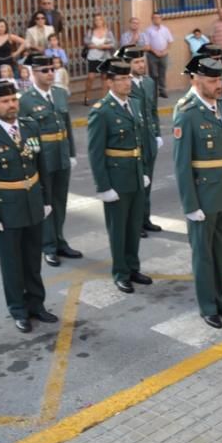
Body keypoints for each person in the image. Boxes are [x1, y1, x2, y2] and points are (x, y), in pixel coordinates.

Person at [0, 79, 56, 334]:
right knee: (11, 263)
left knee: (32, 258)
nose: (12, 105)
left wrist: (47, 200)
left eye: (14, 100)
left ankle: (37, 305)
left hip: (32, 204)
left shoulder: (30, 128)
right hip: (6, 210)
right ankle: (18, 310)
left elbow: (42, 167)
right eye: (5, 101)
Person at [172, 57, 222, 329]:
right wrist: (190, 204)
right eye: (212, 81)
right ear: (196, 81)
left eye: (220, 79)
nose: (219, 85)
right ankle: (208, 306)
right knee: (203, 254)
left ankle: (220, 299)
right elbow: (181, 164)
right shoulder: (186, 112)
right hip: (203, 197)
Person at [87, 57, 152, 294]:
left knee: (134, 226)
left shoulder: (133, 104)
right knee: (118, 229)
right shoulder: (102, 112)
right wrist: (104, 186)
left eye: (129, 78)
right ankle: (121, 272)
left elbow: (140, 142)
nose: (128, 83)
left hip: (134, 175)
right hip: (116, 179)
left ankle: (133, 267)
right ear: (109, 83)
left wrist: (144, 171)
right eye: (122, 79)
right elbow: (96, 153)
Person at [19, 54, 82, 268]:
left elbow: (67, 125)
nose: (50, 74)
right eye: (44, 70)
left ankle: (60, 240)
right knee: (45, 203)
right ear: (33, 73)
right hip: (42, 158)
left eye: (52, 69)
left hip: (61, 154)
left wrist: (71, 153)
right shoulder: (25, 100)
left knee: (60, 201)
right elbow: (23, 136)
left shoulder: (60, 93)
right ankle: (48, 246)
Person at [119, 46, 163, 236]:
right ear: (128, 64)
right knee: (136, 184)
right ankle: (134, 224)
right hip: (134, 140)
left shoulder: (149, 82)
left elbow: (153, 110)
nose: (141, 64)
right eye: (136, 62)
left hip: (149, 139)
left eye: (142, 61)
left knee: (148, 182)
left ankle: (145, 218)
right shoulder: (125, 84)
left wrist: (157, 133)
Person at [82, 14, 116, 106]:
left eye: (99, 20)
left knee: (104, 77)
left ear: (103, 21)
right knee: (91, 77)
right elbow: (86, 43)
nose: (98, 22)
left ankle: (103, 98)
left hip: (105, 57)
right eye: (96, 20)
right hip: (93, 57)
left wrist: (104, 46)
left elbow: (113, 44)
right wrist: (96, 46)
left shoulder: (108, 31)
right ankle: (87, 97)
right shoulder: (90, 31)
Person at [143, 14, 174, 99]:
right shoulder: (148, 30)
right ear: (152, 19)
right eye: (155, 18)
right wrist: (155, 52)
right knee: (153, 74)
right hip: (152, 54)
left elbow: (170, 41)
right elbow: (147, 44)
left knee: (162, 73)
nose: (157, 19)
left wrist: (166, 51)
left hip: (164, 54)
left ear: (161, 19)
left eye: (158, 18)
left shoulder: (165, 29)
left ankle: (162, 90)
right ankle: (154, 92)